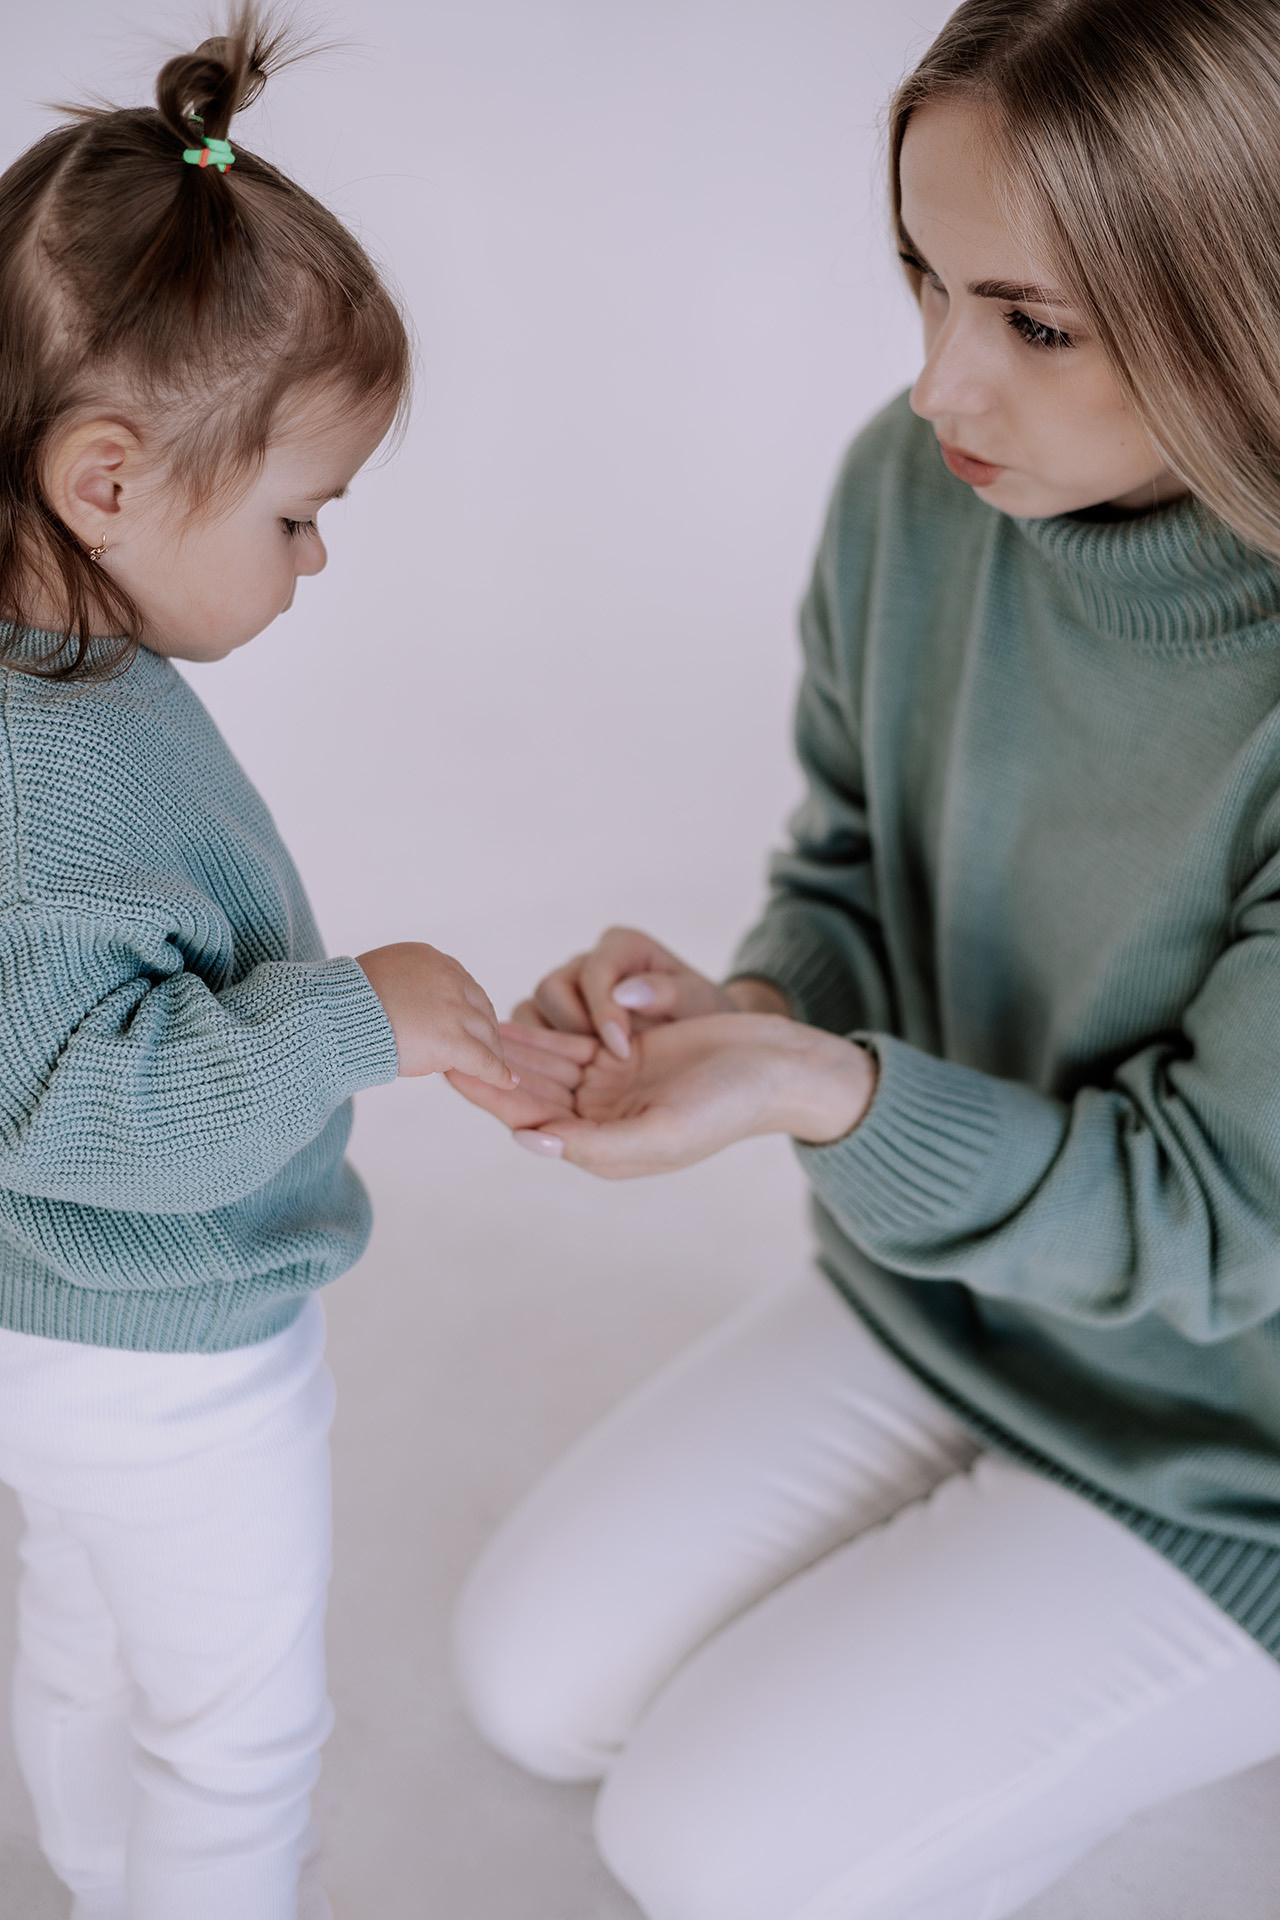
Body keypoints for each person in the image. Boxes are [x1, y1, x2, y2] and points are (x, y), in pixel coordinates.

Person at [448, 2, 1280, 1915]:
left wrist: (825, 1092)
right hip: (956, 1308)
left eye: (1030, 323)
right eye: (923, 279)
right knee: (529, 1687)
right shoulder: (917, 502)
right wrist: (753, 1012)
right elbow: (849, 861)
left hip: (1232, 1452)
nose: (937, 387)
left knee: (704, 1853)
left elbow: (1223, 1218)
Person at [0, 10, 516, 1917]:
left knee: (87, 1642)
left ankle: (97, 1876)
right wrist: (350, 1015)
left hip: (67, 1335)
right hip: (165, 1348)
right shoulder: (39, 774)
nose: (317, 562)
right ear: (106, 484)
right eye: (301, 514)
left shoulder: (70, 674)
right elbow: (80, 1104)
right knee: (234, 1727)